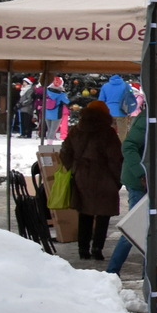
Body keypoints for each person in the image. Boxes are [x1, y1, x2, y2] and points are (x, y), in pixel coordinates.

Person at [106, 105, 157, 274]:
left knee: (147, 228)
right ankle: (112, 272)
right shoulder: (149, 119)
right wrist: (141, 174)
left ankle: (145, 273)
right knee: (136, 228)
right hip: (140, 182)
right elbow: (129, 146)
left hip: (150, 180)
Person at [60, 101, 123, 261]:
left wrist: (74, 168)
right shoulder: (108, 133)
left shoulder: (76, 130)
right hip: (104, 177)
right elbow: (115, 158)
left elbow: (65, 152)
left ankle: (83, 249)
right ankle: (97, 248)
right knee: (103, 213)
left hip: (82, 175)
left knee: (85, 212)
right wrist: (117, 179)